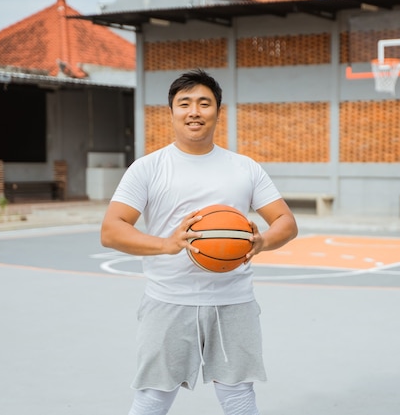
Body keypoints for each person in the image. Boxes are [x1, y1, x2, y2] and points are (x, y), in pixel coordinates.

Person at [101, 68, 298, 415]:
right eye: (185, 103)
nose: (194, 111)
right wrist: (167, 244)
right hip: (168, 299)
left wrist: (262, 241)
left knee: (238, 394)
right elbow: (112, 229)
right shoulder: (148, 168)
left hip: (234, 300)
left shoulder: (245, 168)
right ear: (172, 112)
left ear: (218, 112)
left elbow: (286, 222)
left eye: (204, 103)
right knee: (153, 396)